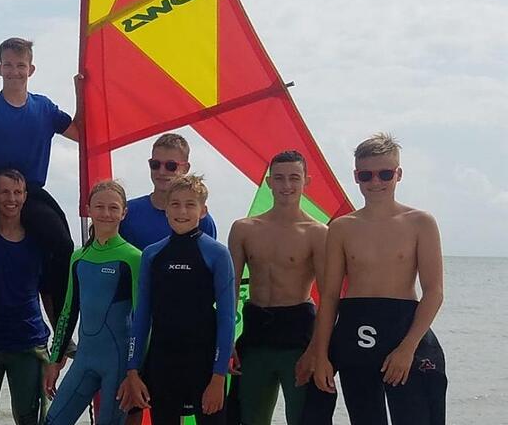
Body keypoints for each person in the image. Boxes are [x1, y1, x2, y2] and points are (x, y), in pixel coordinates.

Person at [307, 134, 446, 425]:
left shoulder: (420, 222)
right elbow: (329, 296)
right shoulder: (342, 227)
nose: (375, 182)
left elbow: (434, 292)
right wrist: (321, 355)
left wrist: (407, 348)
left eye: (385, 174)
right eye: (366, 175)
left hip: (403, 325)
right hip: (356, 328)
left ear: (398, 174)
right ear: (356, 176)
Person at [0, 37, 78, 319]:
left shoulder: (45, 108)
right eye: (8, 65)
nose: (14, 71)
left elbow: (81, 135)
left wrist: (82, 92)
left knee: (62, 245)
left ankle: (61, 326)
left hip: (28, 190)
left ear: (31, 69)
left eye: (21, 65)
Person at [118, 174, 234, 425]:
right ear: (166, 210)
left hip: (204, 364)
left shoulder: (218, 254)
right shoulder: (152, 254)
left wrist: (219, 376)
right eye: (175, 204)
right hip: (163, 363)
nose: (182, 211)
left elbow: (227, 320)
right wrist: (133, 370)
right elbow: (141, 317)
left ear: (203, 211)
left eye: (190, 204)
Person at [227, 151, 327, 425]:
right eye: (279, 178)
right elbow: (230, 289)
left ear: (306, 181)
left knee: (303, 418)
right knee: (250, 418)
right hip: (255, 335)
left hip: (298, 337)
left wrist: (316, 350)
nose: (286, 185)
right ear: (269, 182)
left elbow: (329, 296)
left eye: (294, 178)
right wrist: (226, 340)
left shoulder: (317, 232)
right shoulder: (244, 229)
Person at [44, 180, 141, 425]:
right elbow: (68, 311)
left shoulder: (133, 258)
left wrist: (134, 372)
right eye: (99, 207)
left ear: (124, 212)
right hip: (85, 360)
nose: (106, 213)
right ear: (88, 210)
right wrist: (55, 361)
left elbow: (143, 320)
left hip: (118, 365)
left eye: (113, 207)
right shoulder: (79, 257)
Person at [0, 169, 60, 425]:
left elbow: (48, 293)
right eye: (5, 192)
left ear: (25, 196)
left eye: (17, 192)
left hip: (29, 342)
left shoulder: (39, 241)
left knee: (28, 418)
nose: (11, 199)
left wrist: (60, 341)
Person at [119, 133, 217, 249]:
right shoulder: (127, 213)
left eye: (171, 166)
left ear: (186, 168)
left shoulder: (201, 220)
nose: (161, 172)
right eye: (155, 164)